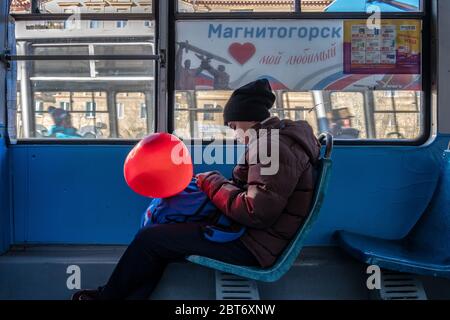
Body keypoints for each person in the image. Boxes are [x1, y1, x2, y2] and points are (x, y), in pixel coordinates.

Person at [72, 79, 321, 300]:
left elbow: (255, 211)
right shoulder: (275, 141)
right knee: (160, 237)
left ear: (248, 116)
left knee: (150, 239)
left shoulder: (271, 147)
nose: (235, 133)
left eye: (233, 125)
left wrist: (212, 182)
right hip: (252, 235)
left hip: (252, 245)